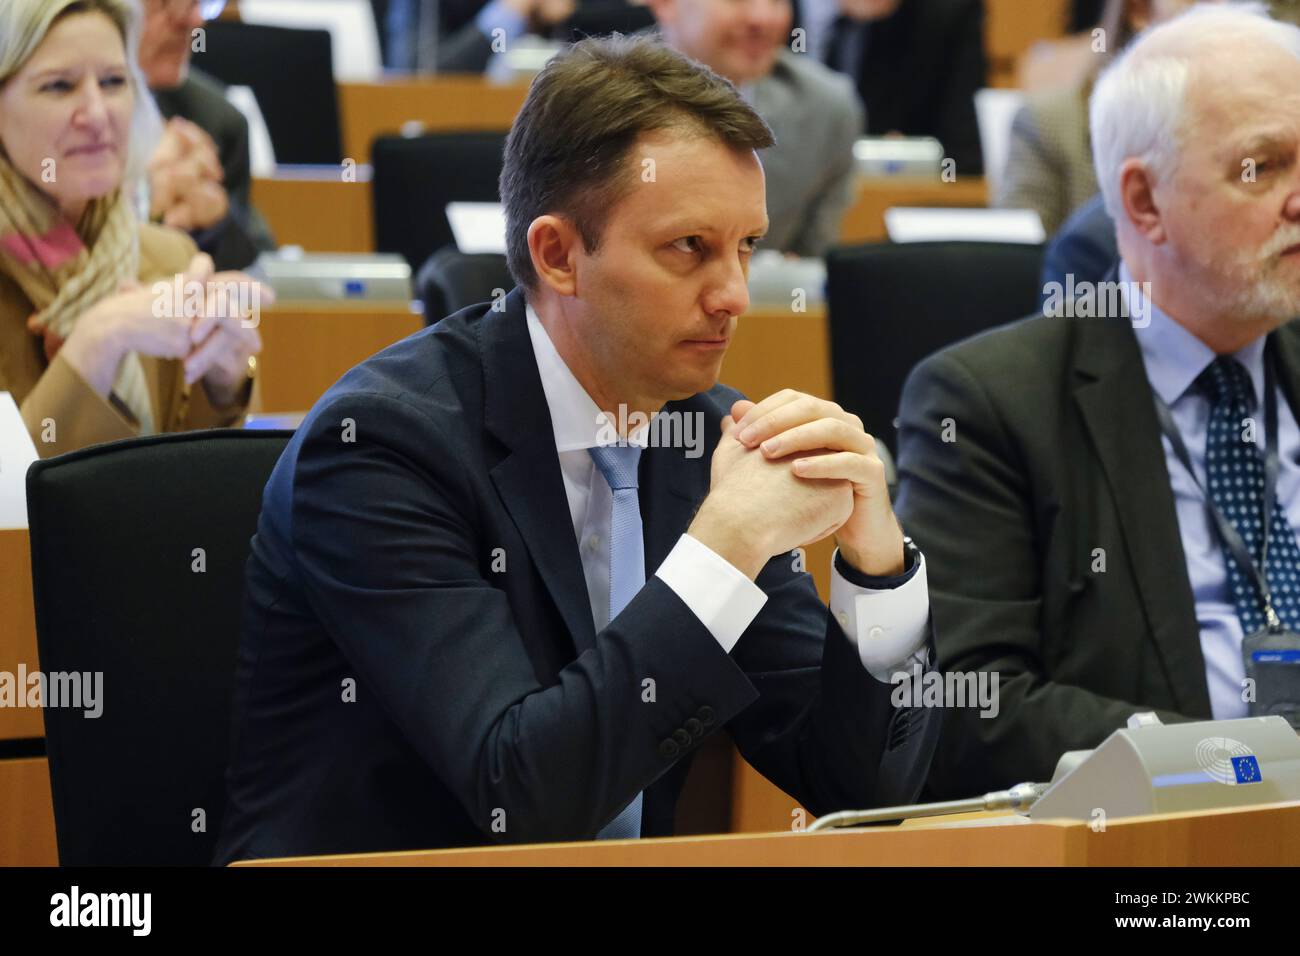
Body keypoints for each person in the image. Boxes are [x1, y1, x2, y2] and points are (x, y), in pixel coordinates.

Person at [214, 33, 939, 864]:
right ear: (558, 255)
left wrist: (878, 571)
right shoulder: (382, 447)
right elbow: (518, 796)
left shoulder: (706, 437)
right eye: (689, 249)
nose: (736, 295)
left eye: (747, 246)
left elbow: (863, 790)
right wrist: (726, 545)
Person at [895, 3, 1300, 797]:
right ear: (1145, 202)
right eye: (1264, 167)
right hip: (1158, 838)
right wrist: (1261, 767)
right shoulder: (988, 405)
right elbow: (973, 706)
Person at [0, 0, 266, 456]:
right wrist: (98, 340)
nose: (97, 114)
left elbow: (202, 498)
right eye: (59, 86)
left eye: (113, 82)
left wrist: (224, 385)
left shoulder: (171, 258)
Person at [648, 0, 863, 258]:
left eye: (776, 1)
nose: (762, 17)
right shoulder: (599, 98)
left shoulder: (827, 109)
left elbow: (810, 264)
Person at [995, 0, 1196, 236]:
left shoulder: (1240, 128)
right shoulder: (1048, 124)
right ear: (1140, 9)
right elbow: (1020, 264)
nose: (1224, 8)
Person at [137, 0, 276, 270]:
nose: (194, 21)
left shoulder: (215, 122)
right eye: (165, 4)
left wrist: (216, 224)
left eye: (200, 4)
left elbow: (257, 279)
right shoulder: (46, 118)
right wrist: (139, 197)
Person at [821, 0, 986, 176]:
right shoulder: (791, 16)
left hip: (889, 187)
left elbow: (962, 153)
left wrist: (903, 155)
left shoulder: (950, 12)